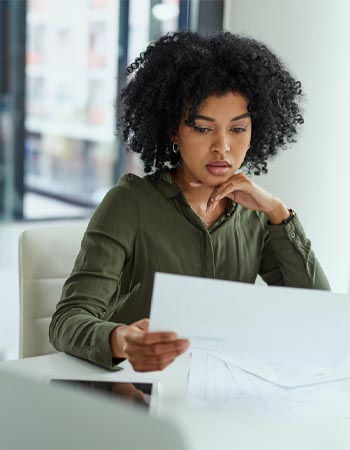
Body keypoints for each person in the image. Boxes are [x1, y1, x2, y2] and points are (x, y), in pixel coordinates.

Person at [49, 31, 330, 372]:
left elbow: (316, 313)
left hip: (222, 391)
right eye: (202, 128)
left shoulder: (258, 214)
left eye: (238, 129)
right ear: (173, 131)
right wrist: (122, 339)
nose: (222, 147)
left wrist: (278, 213)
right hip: (137, 391)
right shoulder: (130, 203)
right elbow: (67, 321)